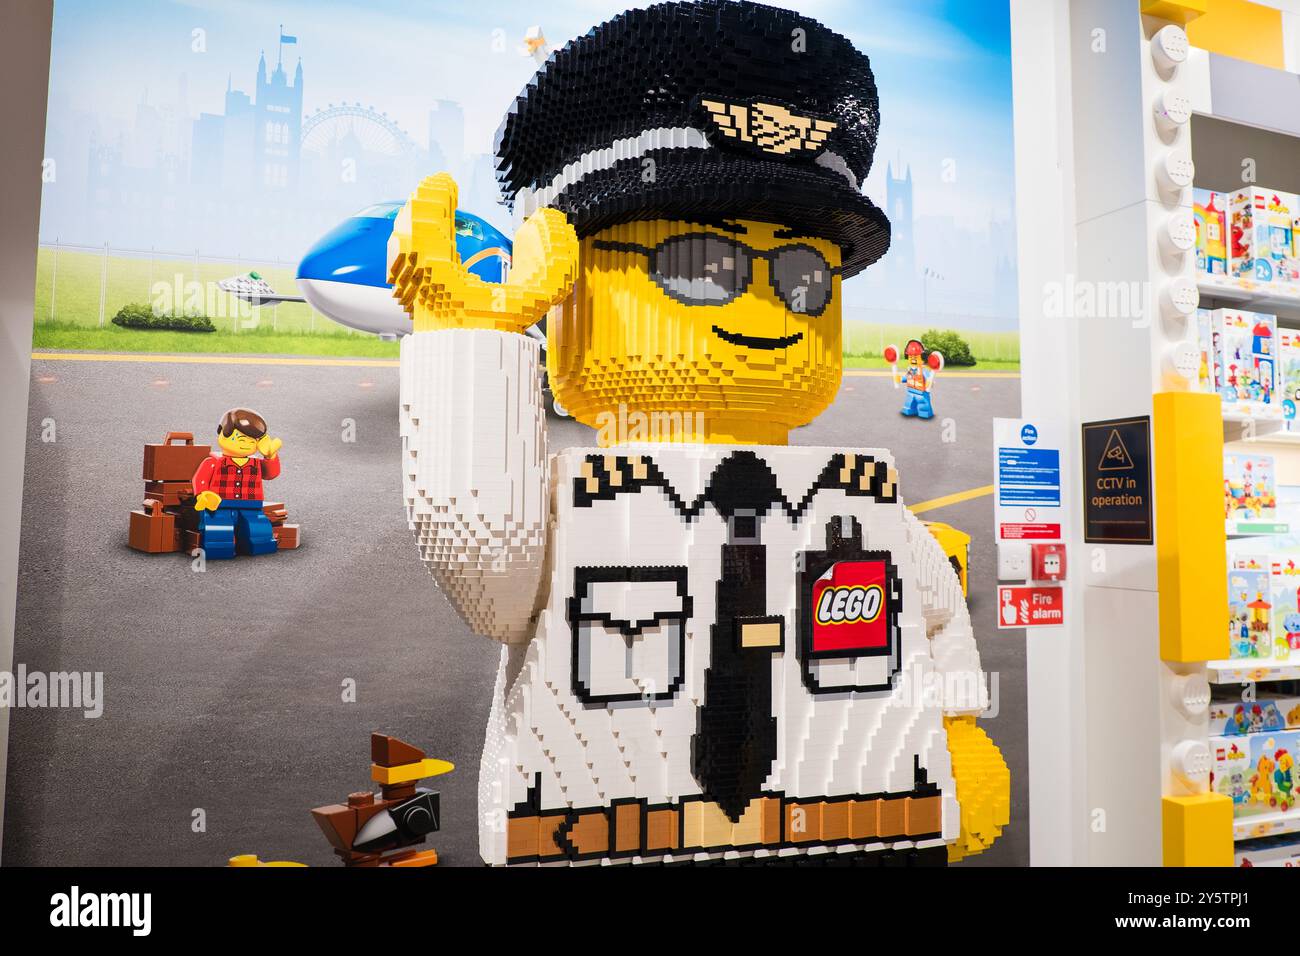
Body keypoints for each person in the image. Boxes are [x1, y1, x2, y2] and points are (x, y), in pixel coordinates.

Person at [394, 0, 1007, 866]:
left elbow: (935, 616)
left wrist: (956, 727)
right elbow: (483, 564)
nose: (767, 302)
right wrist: (467, 342)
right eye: (697, 264)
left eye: (802, 278)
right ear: (562, 295)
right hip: (607, 827)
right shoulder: (585, 510)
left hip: (845, 818)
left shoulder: (861, 504)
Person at [192, 408, 281, 559]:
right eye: (240, 438)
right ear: (221, 432)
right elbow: (200, 479)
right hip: (219, 506)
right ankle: (221, 548)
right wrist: (202, 494)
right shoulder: (213, 462)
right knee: (218, 534)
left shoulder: (256, 463)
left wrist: (270, 456)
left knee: (259, 533)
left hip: (251, 506)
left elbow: (270, 473)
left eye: (252, 440)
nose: (246, 444)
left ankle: (255, 546)